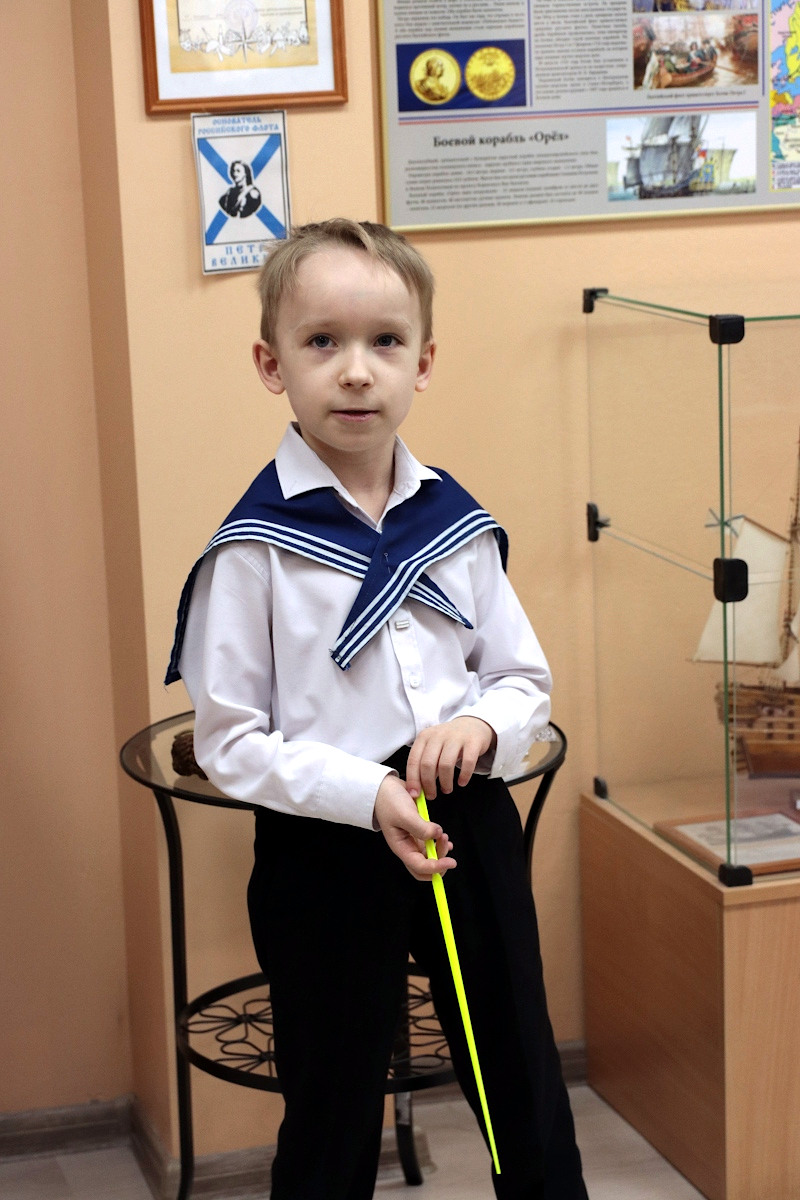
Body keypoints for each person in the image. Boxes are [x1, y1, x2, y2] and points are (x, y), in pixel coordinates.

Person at [166, 218, 588, 1200]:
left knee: (517, 1073)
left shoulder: (455, 523)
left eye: (385, 342)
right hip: (325, 846)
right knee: (332, 1098)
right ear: (272, 364)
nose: (356, 371)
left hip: (465, 820)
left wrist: (481, 726)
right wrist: (367, 794)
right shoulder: (253, 550)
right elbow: (230, 742)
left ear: (423, 362)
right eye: (322, 342)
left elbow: (521, 679)